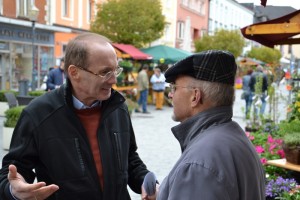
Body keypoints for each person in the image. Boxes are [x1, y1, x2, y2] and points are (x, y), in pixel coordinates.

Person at [0, 33, 156, 200]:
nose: (113, 80)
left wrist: (146, 182)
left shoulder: (118, 107)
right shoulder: (38, 114)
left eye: (115, 70)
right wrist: (14, 191)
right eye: (105, 72)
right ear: (74, 73)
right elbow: (13, 173)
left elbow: (130, 158)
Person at [157, 50, 265, 200]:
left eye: (174, 87)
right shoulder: (235, 136)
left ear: (195, 96)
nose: (170, 94)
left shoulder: (198, 164)